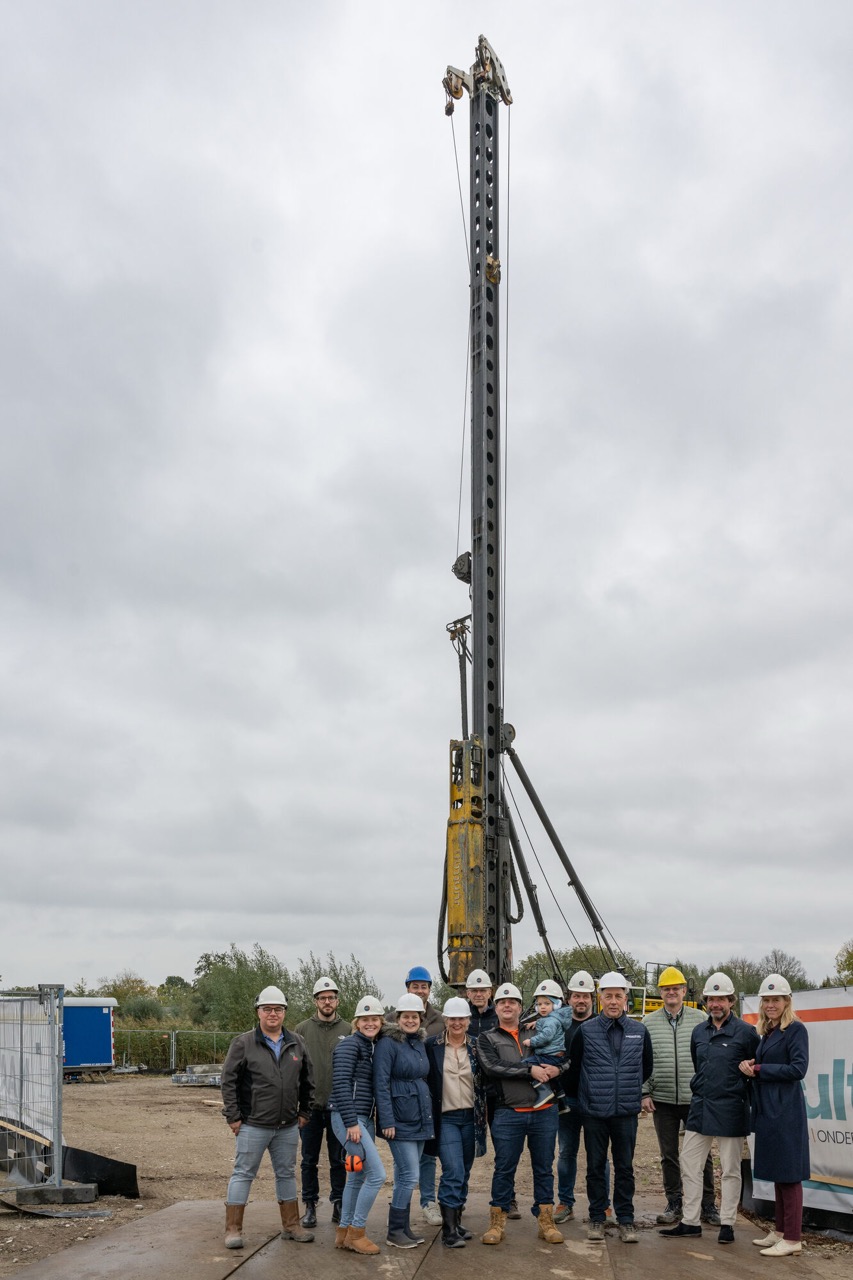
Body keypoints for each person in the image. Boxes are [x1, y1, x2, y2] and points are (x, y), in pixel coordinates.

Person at [660, 971, 759, 1246]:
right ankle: (690, 1221)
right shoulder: (699, 1032)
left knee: (730, 1169)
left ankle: (727, 1223)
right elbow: (698, 1062)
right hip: (701, 1106)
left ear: (730, 1001)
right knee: (690, 1163)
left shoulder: (746, 1033)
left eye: (721, 999)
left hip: (731, 1108)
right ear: (705, 1001)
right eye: (711, 999)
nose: (716, 1004)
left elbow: (754, 1068)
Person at [220, 985, 315, 1250]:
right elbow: (228, 1081)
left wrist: (305, 1112)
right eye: (267, 1009)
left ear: (284, 1012)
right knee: (243, 1173)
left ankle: (292, 1225)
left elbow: (308, 1080)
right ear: (258, 1012)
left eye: (278, 1009)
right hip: (252, 1125)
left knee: (285, 1174)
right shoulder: (243, 1043)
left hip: (287, 1126)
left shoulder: (297, 1042)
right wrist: (234, 1117)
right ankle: (233, 1230)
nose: (273, 1013)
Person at [565, 971, 653, 1244]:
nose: (613, 1001)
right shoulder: (586, 1031)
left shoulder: (639, 1031)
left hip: (626, 1112)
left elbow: (645, 1066)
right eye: (608, 996)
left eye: (618, 996)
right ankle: (596, 1217)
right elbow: (574, 1068)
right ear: (600, 998)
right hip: (594, 1111)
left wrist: (627, 1091)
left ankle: (626, 1219)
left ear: (625, 998)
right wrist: (586, 1098)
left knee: (625, 1167)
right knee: (595, 1165)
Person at [477, 982, 563, 1247]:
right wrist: (529, 1071)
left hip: (544, 1112)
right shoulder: (488, 1038)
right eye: (502, 1002)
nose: (507, 1005)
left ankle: (545, 1221)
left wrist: (558, 1070)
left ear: (519, 1006)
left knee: (543, 1168)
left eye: (512, 1001)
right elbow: (493, 1067)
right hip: (508, 1112)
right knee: (504, 1168)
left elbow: (564, 1055)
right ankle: (497, 1222)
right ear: (496, 1007)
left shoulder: (539, 1029)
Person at [739, 974, 810, 1258]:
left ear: (786, 1001)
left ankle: (793, 1238)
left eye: (775, 1000)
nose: (770, 1004)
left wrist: (758, 1070)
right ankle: (781, 1231)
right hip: (769, 1108)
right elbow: (772, 1061)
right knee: (780, 1173)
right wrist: (753, 1063)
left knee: (790, 1175)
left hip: (786, 1110)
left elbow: (797, 1069)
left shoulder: (796, 1030)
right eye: (766, 1000)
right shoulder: (769, 1031)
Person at [642, 966, 718, 1226]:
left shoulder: (701, 1018)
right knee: (669, 1154)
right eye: (666, 989)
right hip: (662, 1099)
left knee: (703, 1154)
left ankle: (708, 1204)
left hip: (695, 1098)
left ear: (684, 991)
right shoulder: (648, 1023)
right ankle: (674, 1202)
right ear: (660, 992)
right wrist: (644, 1092)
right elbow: (642, 1060)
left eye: (676, 988)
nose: (671, 992)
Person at [425, 996, 488, 1247]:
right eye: (452, 1018)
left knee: (465, 1171)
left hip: (472, 1117)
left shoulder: (477, 1046)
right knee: (453, 1171)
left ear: (468, 1020)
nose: (457, 1022)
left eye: (461, 1018)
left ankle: (457, 1219)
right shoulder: (432, 1046)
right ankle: (448, 1230)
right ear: (445, 1020)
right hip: (446, 1118)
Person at [374, 993, 435, 1248]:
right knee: (410, 1174)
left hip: (419, 1116)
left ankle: (403, 1227)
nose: (410, 1020)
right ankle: (395, 1231)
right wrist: (387, 1120)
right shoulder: (388, 1044)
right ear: (397, 1018)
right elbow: (381, 1083)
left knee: (405, 1174)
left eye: (415, 1016)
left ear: (421, 1019)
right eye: (406, 1016)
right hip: (399, 1119)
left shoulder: (418, 1042)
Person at [329, 995, 387, 1255]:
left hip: (362, 1118)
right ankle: (357, 1232)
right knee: (377, 1175)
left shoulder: (370, 1047)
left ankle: (343, 1233)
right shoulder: (350, 1046)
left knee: (356, 1177)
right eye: (365, 1019)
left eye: (374, 1019)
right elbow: (340, 1084)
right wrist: (351, 1122)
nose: (370, 1023)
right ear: (357, 1022)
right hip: (348, 1118)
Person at [554, 969, 611, 1225]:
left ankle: (603, 1205)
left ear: (593, 998)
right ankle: (565, 1202)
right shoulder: (559, 1026)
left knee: (598, 1154)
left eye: (586, 996)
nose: (581, 1000)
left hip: (595, 1100)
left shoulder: (603, 1025)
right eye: (576, 995)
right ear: (569, 998)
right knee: (566, 1153)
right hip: (566, 1100)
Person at [295, 976, 351, 1227]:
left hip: (339, 1108)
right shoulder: (302, 1030)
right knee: (309, 1160)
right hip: (311, 1108)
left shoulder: (348, 1030)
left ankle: (338, 1202)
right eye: (322, 998)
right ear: (315, 1001)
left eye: (331, 997)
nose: (327, 1002)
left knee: (339, 1160)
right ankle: (309, 1205)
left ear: (337, 1001)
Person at [396, 966, 443, 1224]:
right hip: (403, 1098)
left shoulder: (441, 1020)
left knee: (428, 1154)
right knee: (403, 1157)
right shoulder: (394, 1020)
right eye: (415, 986)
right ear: (407, 988)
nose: (420, 990)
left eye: (424, 986)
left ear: (429, 989)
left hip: (431, 1095)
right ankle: (399, 1207)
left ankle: (428, 1202)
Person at [521, 979, 571, 1109]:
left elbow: (546, 1036)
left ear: (556, 1005)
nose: (542, 1007)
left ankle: (543, 1091)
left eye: (547, 1004)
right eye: (539, 1004)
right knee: (554, 1079)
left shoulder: (551, 1021)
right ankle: (562, 1102)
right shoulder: (552, 1019)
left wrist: (531, 1042)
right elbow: (548, 1024)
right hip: (556, 1056)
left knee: (525, 1065)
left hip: (548, 1055)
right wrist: (537, 1022)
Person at [465, 968, 498, 1036]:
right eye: (474, 991)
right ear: (468, 994)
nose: (478, 994)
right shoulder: (462, 1015)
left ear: (489, 993)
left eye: (482, 990)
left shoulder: (499, 1015)